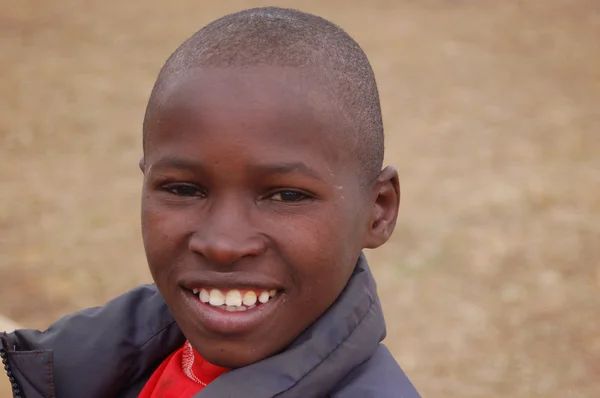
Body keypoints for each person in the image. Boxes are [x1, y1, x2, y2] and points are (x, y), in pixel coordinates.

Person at [0, 7, 421, 398]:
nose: (222, 243)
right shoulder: (108, 358)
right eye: (184, 189)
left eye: (287, 195)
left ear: (379, 210)